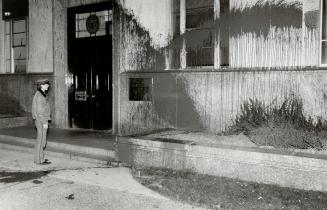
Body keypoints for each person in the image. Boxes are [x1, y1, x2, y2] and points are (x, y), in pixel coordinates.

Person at [32, 78, 51, 165]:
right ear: (42, 85)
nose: (48, 85)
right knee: (41, 141)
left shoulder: (40, 94)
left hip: (39, 120)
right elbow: (40, 112)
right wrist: (45, 122)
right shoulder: (39, 96)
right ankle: (39, 160)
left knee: (41, 140)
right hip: (41, 120)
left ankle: (40, 158)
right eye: (47, 84)